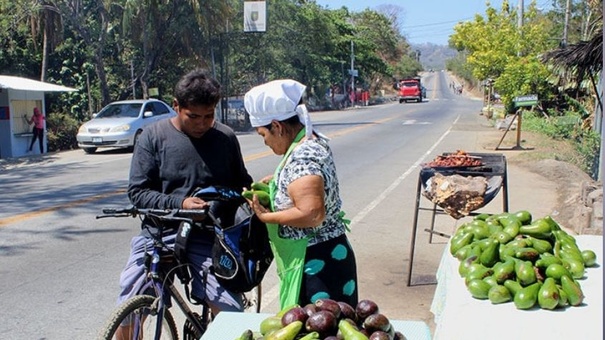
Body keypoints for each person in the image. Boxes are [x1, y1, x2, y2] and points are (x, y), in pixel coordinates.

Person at [115, 69, 253, 336]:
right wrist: (181, 205)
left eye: (209, 116)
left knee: (231, 313)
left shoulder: (225, 137)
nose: (202, 123)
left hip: (208, 237)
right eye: (194, 116)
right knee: (128, 309)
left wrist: (245, 196)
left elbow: (241, 183)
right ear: (176, 106)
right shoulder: (152, 138)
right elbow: (138, 192)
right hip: (159, 234)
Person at [243, 79, 358, 309]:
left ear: (277, 126)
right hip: (325, 257)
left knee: (320, 328)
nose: (265, 142)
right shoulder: (306, 143)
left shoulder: (303, 156)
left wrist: (267, 217)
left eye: (262, 134)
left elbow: (312, 213)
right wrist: (277, 181)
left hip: (319, 265)